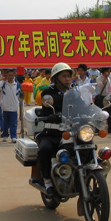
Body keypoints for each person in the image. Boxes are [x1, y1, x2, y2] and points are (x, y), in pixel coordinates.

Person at [36, 62, 74, 195]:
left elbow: (84, 105)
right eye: (64, 76)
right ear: (56, 78)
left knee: (86, 146)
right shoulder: (48, 93)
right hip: (52, 132)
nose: (67, 79)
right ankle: (47, 181)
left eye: (69, 76)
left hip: (70, 132)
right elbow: (58, 101)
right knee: (45, 149)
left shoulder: (74, 91)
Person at [0, 69, 22, 143]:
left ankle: (13, 136)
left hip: (14, 107)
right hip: (5, 107)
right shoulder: (3, 84)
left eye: (12, 75)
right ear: (7, 75)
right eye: (9, 75)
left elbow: (20, 95)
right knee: (5, 123)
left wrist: (17, 102)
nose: (10, 77)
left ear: (14, 75)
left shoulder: (17, 85)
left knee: (13, 123)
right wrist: (2, 81)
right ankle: (5, 135)